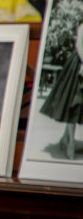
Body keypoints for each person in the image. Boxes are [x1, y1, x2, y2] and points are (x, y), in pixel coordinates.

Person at [40, 23, 83, 160]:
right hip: (79, 64)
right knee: (73, 102)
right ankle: (70, 142)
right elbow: (79, 46)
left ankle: (65, 138)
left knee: (79, 107)